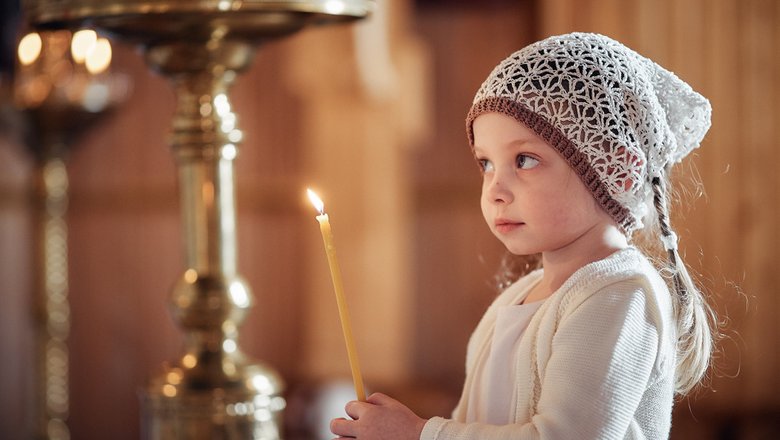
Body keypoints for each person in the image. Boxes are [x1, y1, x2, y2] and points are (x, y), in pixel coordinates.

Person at [330, 32, 716, 440]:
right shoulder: (515, 300)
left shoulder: (618, 296)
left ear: (617, 168)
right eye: (485, 164)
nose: (495, 188)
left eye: (525, 159)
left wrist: (420, 434)